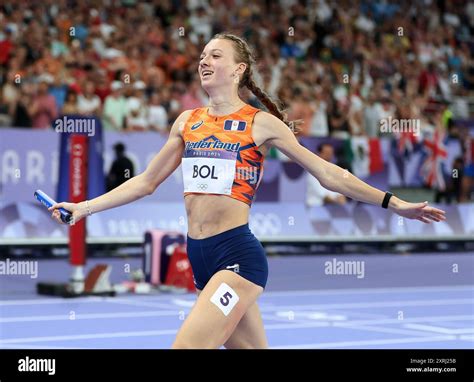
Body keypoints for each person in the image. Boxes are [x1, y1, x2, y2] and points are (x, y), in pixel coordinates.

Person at [49, 33, 446, 349]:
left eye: (215, 55)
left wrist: (393, 203)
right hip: (200, 259)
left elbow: (328, 173)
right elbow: (145, 182)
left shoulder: (262, 124)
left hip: (237, 258)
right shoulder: (187, 121)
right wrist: (84, 208)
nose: (204, 60)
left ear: (238, 69)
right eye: (202, 55)